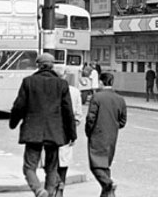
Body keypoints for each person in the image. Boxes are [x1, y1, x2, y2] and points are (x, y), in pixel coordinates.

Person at [10, 53, 77, 197]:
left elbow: (19, 106)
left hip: (33, 131)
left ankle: (39, 191)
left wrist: (13, 123)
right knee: (52, 168)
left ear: (38, 65)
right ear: (52, 66)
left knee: (29, 167)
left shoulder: (28, 82)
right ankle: (49, 192)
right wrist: (72, 134)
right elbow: (68, 111)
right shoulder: (61, 84)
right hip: (54, 132)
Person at [86, 72, 127, 197]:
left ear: (101, 82)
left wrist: (89, 131)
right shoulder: (120, 99)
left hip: (97, 135)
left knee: (96, 165)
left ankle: (108, 183)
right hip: (112, 135)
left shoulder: (97, 97)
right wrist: (113, 126)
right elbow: (123, 121)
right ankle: (108, 195)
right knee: (105, 166)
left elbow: (90, 118)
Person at [52, 65, 83, 197]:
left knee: (51, 164)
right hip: (66, 134)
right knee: (63, 165)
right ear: (64, 76)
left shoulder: (47, 91)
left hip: (50, 133)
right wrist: (73, 134)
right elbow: (77, 116)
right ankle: (60, 191)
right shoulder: (75, 92)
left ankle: (52, 190)